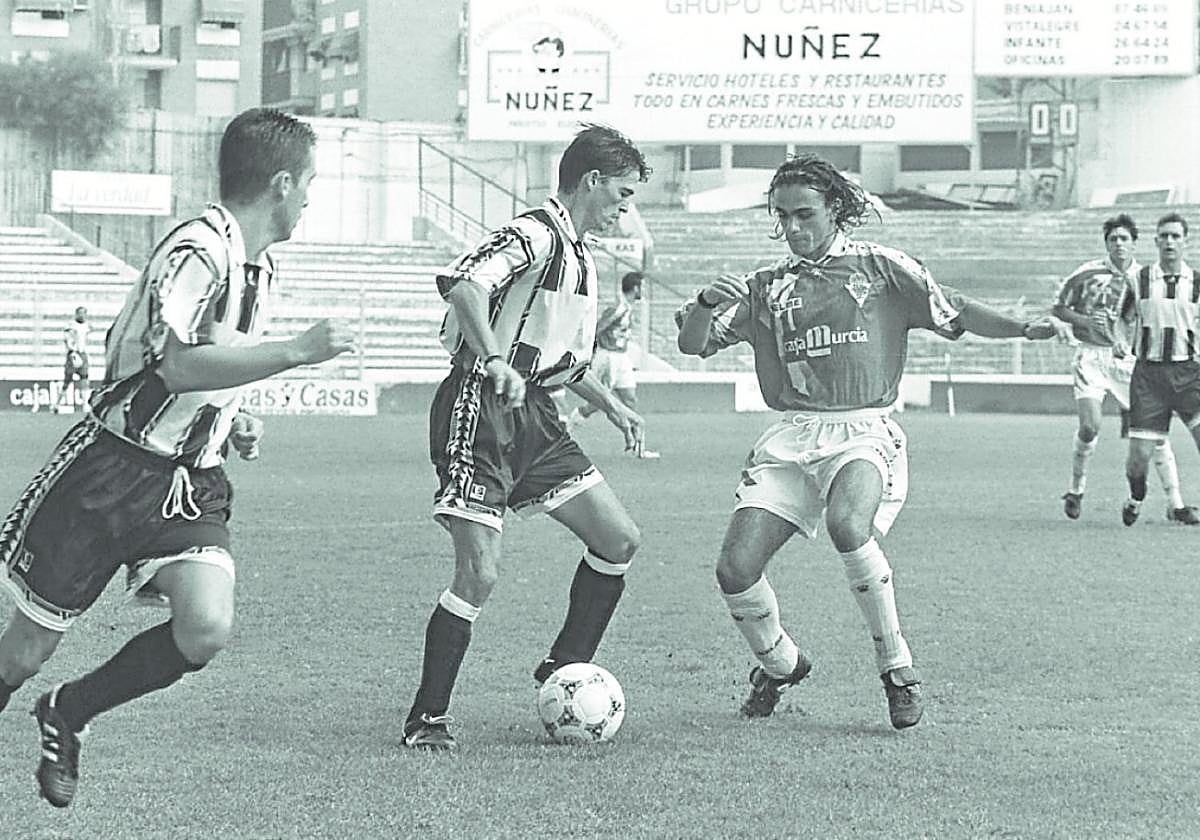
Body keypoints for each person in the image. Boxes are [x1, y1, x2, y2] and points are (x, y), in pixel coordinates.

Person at [0, 107, 355, 808]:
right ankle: (40, 692)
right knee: (21, 653)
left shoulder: (258, 269)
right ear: (281, 183)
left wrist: (235, 415)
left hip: (190, 483)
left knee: (206, 624)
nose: (311, 198)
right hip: (111, 472)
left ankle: (68, 712)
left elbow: (207, 374)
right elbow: (176, 367)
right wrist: (297, 352)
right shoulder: (198, 248)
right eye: (310, 182)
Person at [675, 154, 1064, 730]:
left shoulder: (881, 269)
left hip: (863, 428)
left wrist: (1023, 327)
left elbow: (953, 308)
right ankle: (780, 664)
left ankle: (897, 668)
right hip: (790, 437)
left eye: (804, 213)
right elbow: (692, 345)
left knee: (848, 526)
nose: (793, 228)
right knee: (734, 569)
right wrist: (705, 305)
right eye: (781, 217)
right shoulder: (766, 287)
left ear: (835, 209)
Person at [404, 124, 650, 751]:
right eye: (622, 192)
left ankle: (565, 666)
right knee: (479, 573)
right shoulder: (536, 232)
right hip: (481, 405)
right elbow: (465, 283)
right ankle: (427, 718)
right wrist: (493, 360)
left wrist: (613, 405)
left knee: (618, 539)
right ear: (591, 181)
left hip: (536, 414)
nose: (627, 207)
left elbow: (563, 362)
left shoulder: (582, 254)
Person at [1053, 215, 1194, 523]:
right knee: (1090, 426)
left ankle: (1176, 504)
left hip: (1131, 363)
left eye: (1124, 239)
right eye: (1113, 239)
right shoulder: (1086, 273)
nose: (1118, 244)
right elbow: (1059, 307)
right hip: (1091, 357)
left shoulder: (1144, 278)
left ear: (1135, 243)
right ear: (1106, 243)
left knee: (1155, 437)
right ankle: (1076, 490)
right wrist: (1085, 322)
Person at [1115, 213, 1200, 526]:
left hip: (1189, 374)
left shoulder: (1198, 282)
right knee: (1138, 462)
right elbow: (1121, 320)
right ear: (1155, 241)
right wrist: (1120, 341)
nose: (1169, 242)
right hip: (1149, 378)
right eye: (1163, 236)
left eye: (1175, 236)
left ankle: (1175, 505)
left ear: (1185, 241)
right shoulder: (1139, 280)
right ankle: (1136, 498)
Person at [569, 270, 660, 458]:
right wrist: (592, 353)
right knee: (600, 401)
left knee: (630, 400)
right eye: (641, 286)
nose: (643, 290)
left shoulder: (626, 307)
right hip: (608, 357)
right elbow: (597, 329)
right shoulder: (618, 307)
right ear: (635, 288)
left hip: (621, 357)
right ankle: (571, 424)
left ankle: (638, 448)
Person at [52, 306, 90, 414]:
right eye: (80, 313)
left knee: (84, 379)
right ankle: (57, 404)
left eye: (84, 313)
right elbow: (67, 339)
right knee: (67, 380)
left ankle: (85, 406)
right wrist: (72, 351)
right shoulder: (71, 326)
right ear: (76, 314)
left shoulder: (87, 326)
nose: (82, 315)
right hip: (73, 354)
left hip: (83, 354)